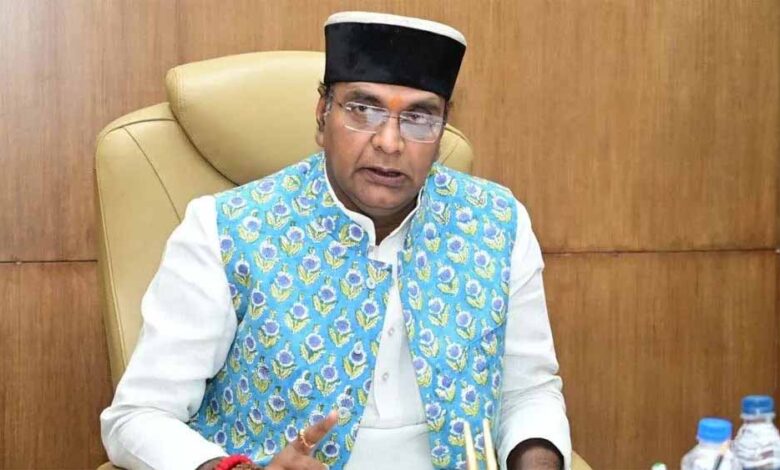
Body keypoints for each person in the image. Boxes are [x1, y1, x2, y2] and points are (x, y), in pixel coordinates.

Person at [101, 11, 571, 470]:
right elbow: (139, 415)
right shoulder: (225, 229)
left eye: (419, 117)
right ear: (322, 114)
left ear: (443, 128)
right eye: (363, 110)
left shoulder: (497, 223)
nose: (390, 142)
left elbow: (527, 392)